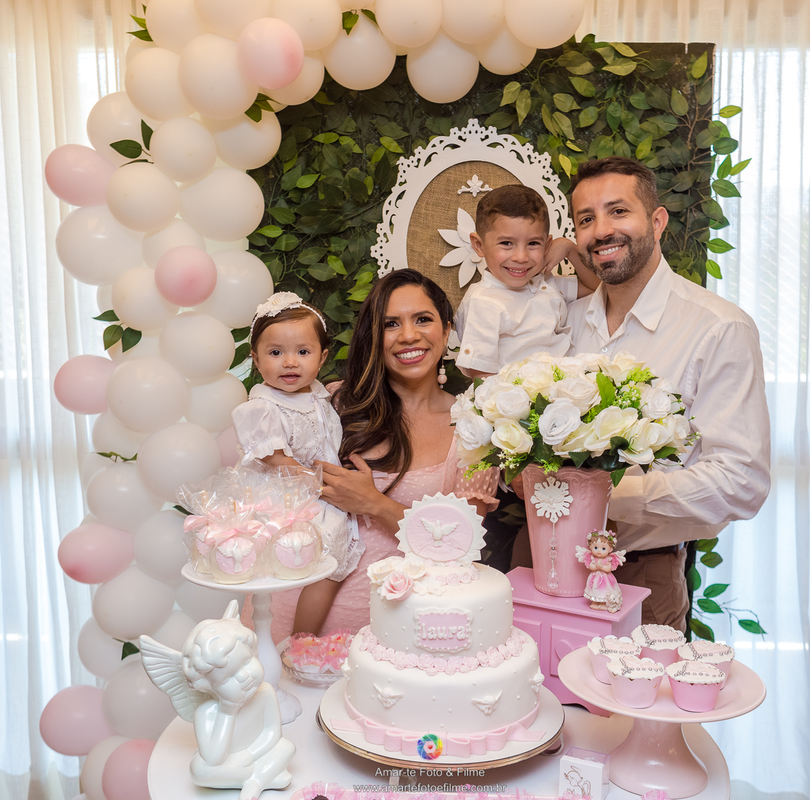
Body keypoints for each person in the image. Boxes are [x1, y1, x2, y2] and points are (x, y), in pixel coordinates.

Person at [561, 156, 771, 631]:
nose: (600, 231)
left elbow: (743, 482)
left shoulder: (718, 329)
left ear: (657, 222)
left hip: (643, 572)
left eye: (618, 211)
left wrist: (610, 496)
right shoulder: (565, 325)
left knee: (631, 707)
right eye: (586, 219)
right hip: (544, 561)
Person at [268, 270, 499, 638]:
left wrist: (374, 503)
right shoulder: (334, 404)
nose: (408, 335)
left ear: (447, 329)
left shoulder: (473, 428)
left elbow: (461, 547)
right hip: (294, 612)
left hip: (396, 634)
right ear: (376, 337)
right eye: (391, 324)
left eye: (423, 319)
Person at [231, 292, 362, 635]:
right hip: (286, 495)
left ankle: (304, 638)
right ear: (256, 360)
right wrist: (321, 485)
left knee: (333, 566)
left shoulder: (319, 394)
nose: (290, 362)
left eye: (303, 352)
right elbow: (278, 461)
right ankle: (292, 637)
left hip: (317, 488)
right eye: (275, 353)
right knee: (314, 549)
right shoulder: (261, 407)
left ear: (322, 358)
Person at [454, 184, 598, 379]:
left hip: (566, 390)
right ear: (479, 245)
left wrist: (568, 249)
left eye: (533, 244)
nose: (521, 257)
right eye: (506, 243)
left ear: (546, 245)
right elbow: (481, 377)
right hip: (517, 402)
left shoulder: (546, 283)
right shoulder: (483, 302)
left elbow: (595, 286)